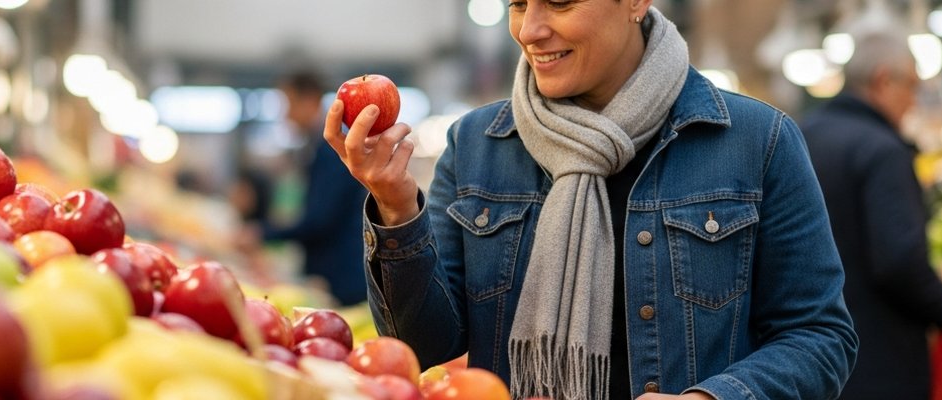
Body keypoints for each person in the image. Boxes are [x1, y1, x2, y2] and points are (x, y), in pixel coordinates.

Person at [325, 1, 858, 399]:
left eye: (559, 2)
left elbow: (819, 334)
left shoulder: (755, 140)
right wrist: (395, 206)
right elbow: (423, 345)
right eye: (517, 4)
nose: (530, 29)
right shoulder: (477, 146)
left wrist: (716, 396)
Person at [800, 30, 942, 400]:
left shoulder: (798, 136)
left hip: (808, 363)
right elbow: (899, 261)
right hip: (877, 364)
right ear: (883, 80)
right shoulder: (882, 151)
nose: (914, 102)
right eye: (912, 87)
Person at [245, 70, 370, 305]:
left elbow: (320, 219)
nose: (286, 114)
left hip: (342, 274)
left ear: (309, 99)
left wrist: (264, 233)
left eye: (288, 103)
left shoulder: (332, 148)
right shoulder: (316, 146)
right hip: (333, 269)